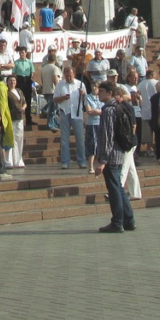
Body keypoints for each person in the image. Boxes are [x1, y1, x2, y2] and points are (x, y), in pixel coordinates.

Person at [93, 80, 137, 233]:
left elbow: (107, 136)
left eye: (102, 91)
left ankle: (117, 221)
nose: (99, 94)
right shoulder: (119, 107)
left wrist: (102, 160)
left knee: (114, 190)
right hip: (119, 152)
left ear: (110, 93)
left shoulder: (109, 110)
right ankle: (129, 220)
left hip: (110, 156)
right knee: (118, 187)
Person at [54, 66, 87, 169]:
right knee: (64, 139)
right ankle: (65, 161)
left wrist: (83, 94)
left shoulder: (80, 84)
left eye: (70, 75)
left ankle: (81, 160)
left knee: (80, 139)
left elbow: (85, 100)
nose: (68, 77)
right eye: (67, 75)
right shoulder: (60, 85)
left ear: (74, 74)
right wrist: (63, 98)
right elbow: (55, 99)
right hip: (65, 112)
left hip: (77, 114)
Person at [5, 74, 26, 168]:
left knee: (19, 139)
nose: (12, 82)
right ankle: (9, 161)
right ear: (7, 82)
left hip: (20, 117)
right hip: (11, 117)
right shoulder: (6, 92)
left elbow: (24, 102)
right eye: (10, 81)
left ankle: (18, 160)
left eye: (14, 80)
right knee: (11, 139)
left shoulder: (19, 91)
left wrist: (23, 108)